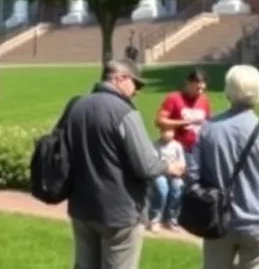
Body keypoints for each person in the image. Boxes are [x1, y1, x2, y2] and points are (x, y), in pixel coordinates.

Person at [64, 59, 185, 269]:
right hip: (119, 212)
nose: (136, 91)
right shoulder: (124, 112)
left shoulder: (77, 106)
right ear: (120, 78)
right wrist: (169, 168)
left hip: (82, 206)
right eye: (135, 84)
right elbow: (146, 165)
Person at [189, 64, 259, 269]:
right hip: (258, 223)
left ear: (229, 92)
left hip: (218, 221)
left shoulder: (208, 130)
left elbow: (192, 175)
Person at [156, 68, 211, 165]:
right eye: (197, 88)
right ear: (188, 83)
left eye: (203, 88)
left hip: (200, 149)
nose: (200, 92)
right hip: (179, 150)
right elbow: (160, 121)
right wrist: (186, 122)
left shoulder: (204, 100)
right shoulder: (173, 98)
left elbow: (208, 122)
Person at [145, 127, 184, 231]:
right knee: (162, 189)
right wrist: (167, 169)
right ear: (161, 132)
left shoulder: (177, 146)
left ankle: (171, 219)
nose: (168, 134)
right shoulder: (156, 146)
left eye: (170, 131)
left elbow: (182, 163)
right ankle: (155, 219)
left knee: (178, 187)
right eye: (165, 131)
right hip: (160, 174)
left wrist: (178, 170)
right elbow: (154, 164)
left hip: (174, 174)